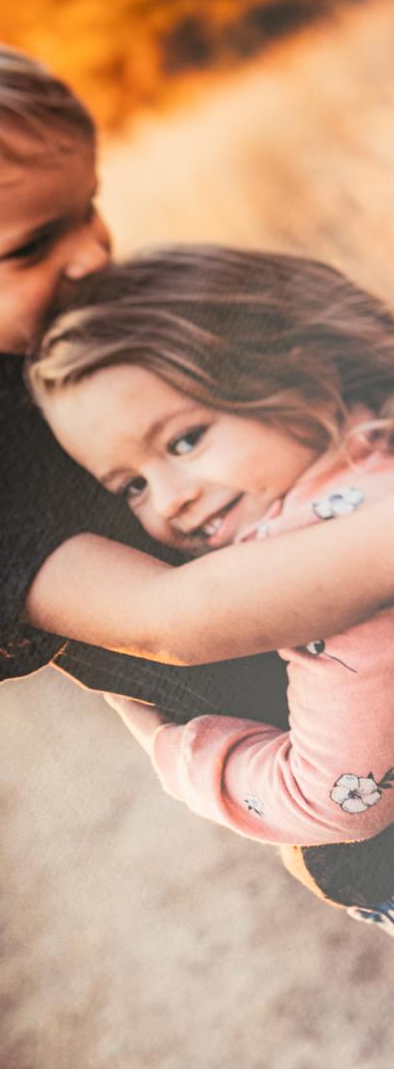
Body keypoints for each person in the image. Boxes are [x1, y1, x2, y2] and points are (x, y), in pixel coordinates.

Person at [0, 28, 394, 911]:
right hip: (361, 794)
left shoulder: (117, 317)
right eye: (31, 246)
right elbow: (173, 620)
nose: (92, 252)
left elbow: (353, 368)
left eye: (89, 207)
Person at [27, 245, 394, 872]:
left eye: (185, 440)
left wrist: (169, 750)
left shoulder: (316, 570)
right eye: (132, 485)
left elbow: (335, 799)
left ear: (297, 369)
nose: (170, 500)